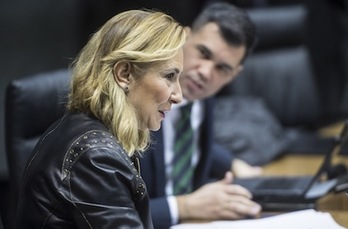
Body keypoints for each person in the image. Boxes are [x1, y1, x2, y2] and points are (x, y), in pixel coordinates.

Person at [14, 9, 186, 228]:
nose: (178, 96)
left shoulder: (90, 134)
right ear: (124, 74)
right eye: (169, 76)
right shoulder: (95, 156)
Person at [140, 2, 262, 228]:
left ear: (234, 75)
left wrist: (231, 163)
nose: (206, 73)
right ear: (184, 37)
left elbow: (187, 140)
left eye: (222, 68)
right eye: (203, 53)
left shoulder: (201, 98)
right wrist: (185, 206)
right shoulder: (138, 104)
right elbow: (110, 213)